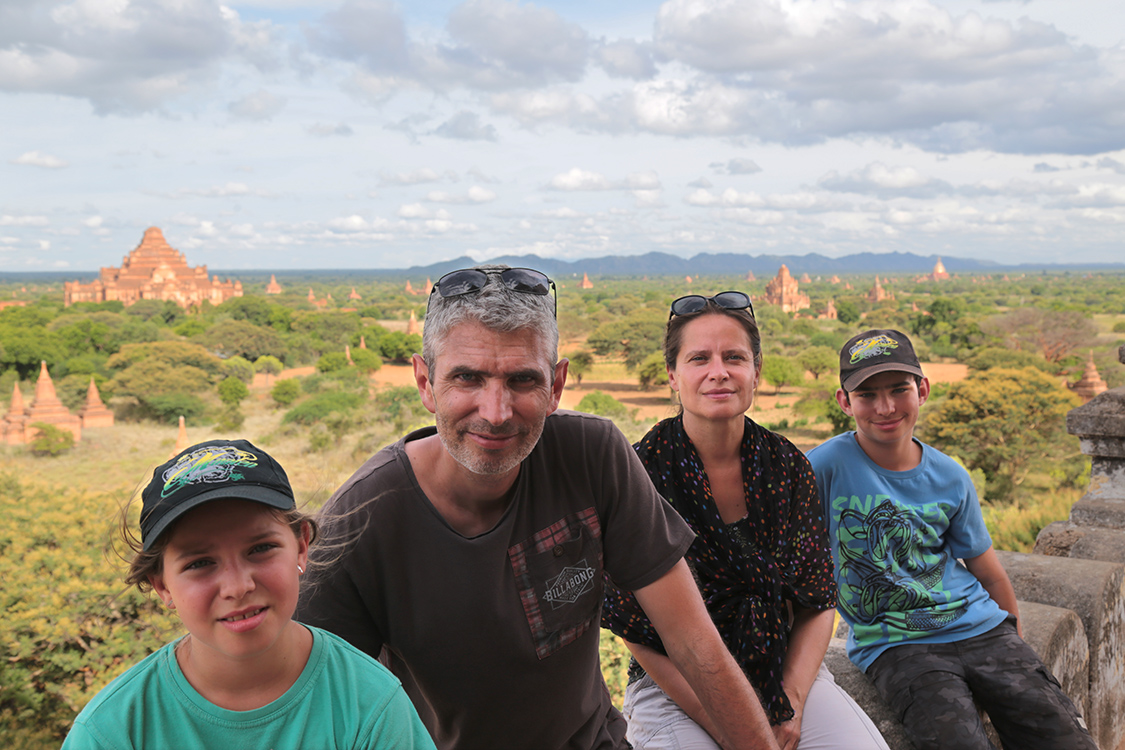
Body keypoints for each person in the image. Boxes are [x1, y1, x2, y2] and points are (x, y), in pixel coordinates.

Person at [297, 266, 780, 750]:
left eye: (522, 380)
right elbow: (313, 708)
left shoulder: (591, 456)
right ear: (425, 382)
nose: (495, 412)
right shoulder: (361, 520)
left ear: (556, 386)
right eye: (467, 378)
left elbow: (692, 640)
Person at [602, 292, 888, 750]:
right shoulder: (639, 475)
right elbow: (634, 629)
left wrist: (791, 702)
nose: (718, 371)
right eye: (699, 358)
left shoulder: (787, 467)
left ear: (756, 372)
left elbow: (818, 601)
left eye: (734, 357)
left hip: (780, 666)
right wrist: (731, 728)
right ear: (673, 375)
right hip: (676, 686)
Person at [807, 329, 1095, 750]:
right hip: (898, 645)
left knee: (1065, 737)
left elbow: (989, 573)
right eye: (867, 395)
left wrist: (1012, 645)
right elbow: (791, 560)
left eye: (899, 389)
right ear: (844, 402)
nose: (885, 407)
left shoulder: (949, 475)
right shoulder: (824, 466)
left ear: (922, 390)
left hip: (982, 628)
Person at [63, 439, 435, 750]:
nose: (238, 587)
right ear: (162, 585)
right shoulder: (114, 731)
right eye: (199, 563)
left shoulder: (368, 702)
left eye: (260, 549)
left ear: (301, 546)